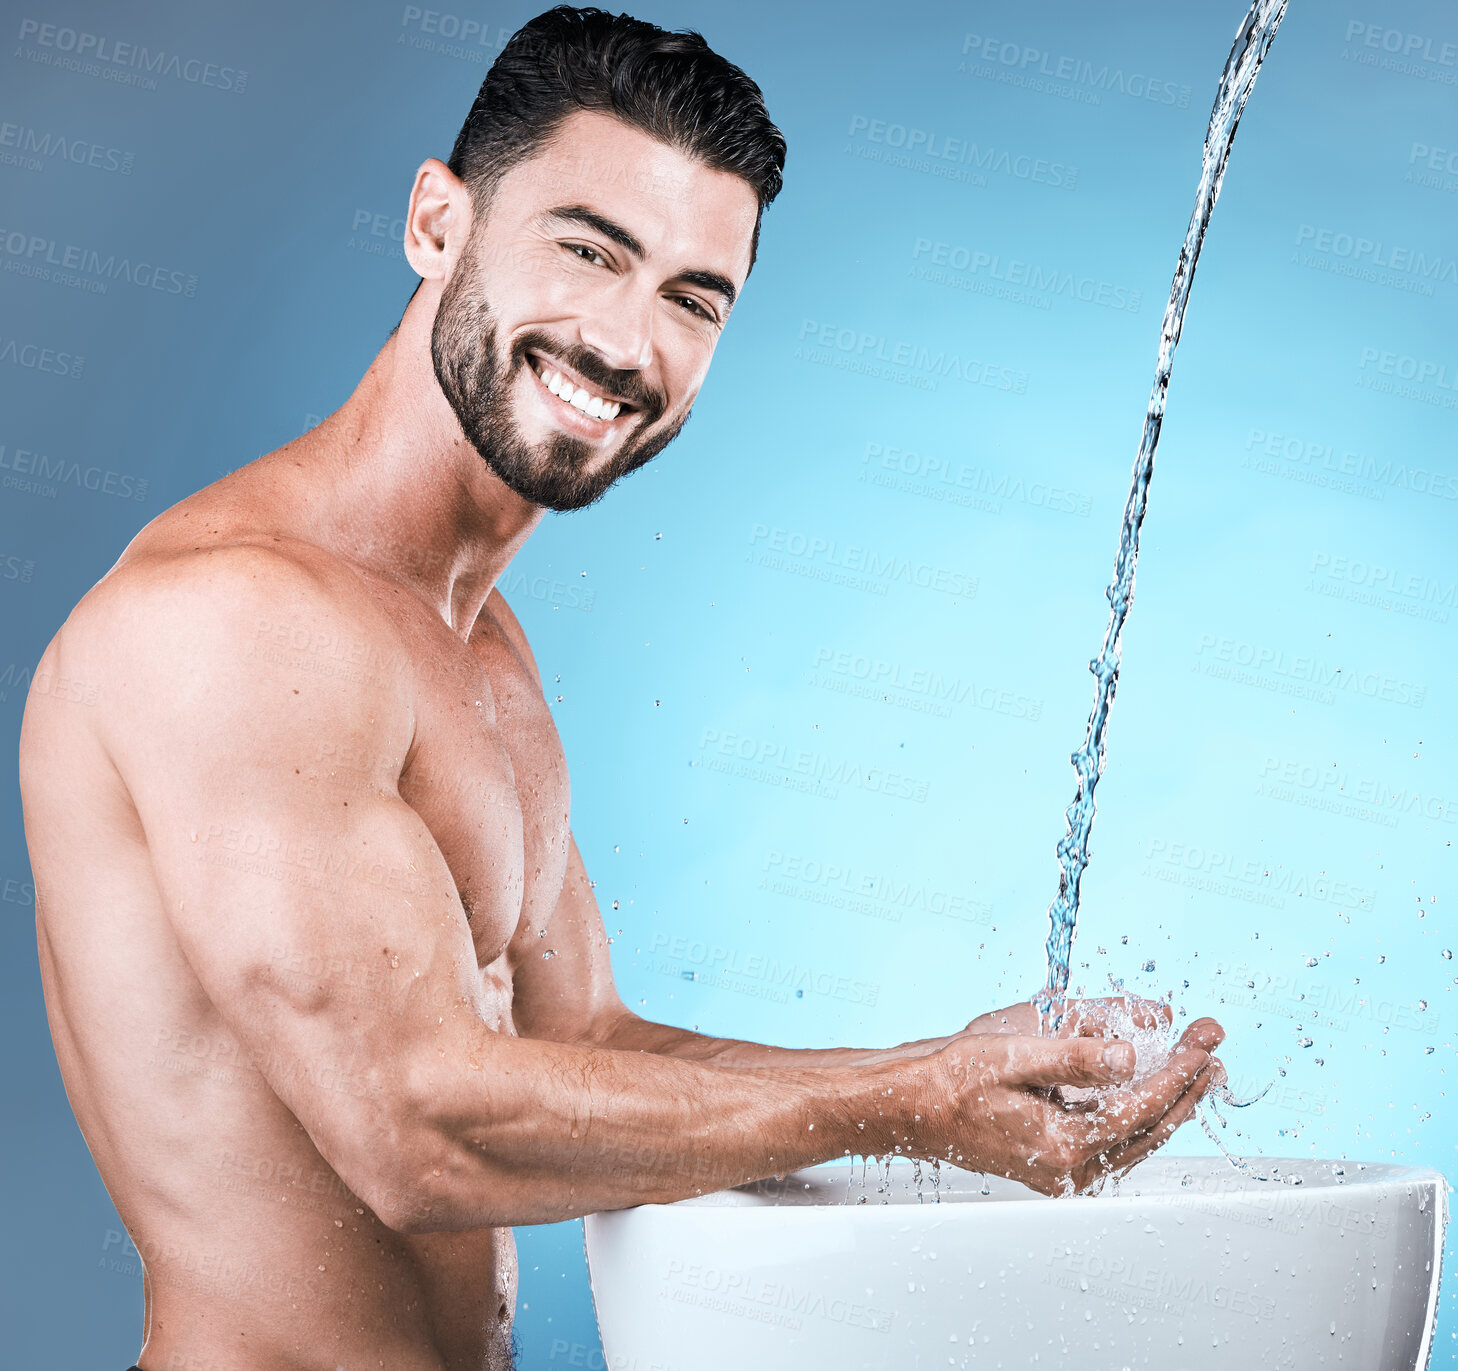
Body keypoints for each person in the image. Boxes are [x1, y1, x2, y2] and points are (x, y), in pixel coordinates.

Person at [17, 8, 1226, 1369]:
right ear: (436, 224)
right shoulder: (238, 619)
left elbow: (583, 1043)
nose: (619, 339)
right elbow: (411, 1125)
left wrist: (962, 1067)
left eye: (689, 296)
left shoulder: (474, 642)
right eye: (586, 250)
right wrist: (909, 1105)